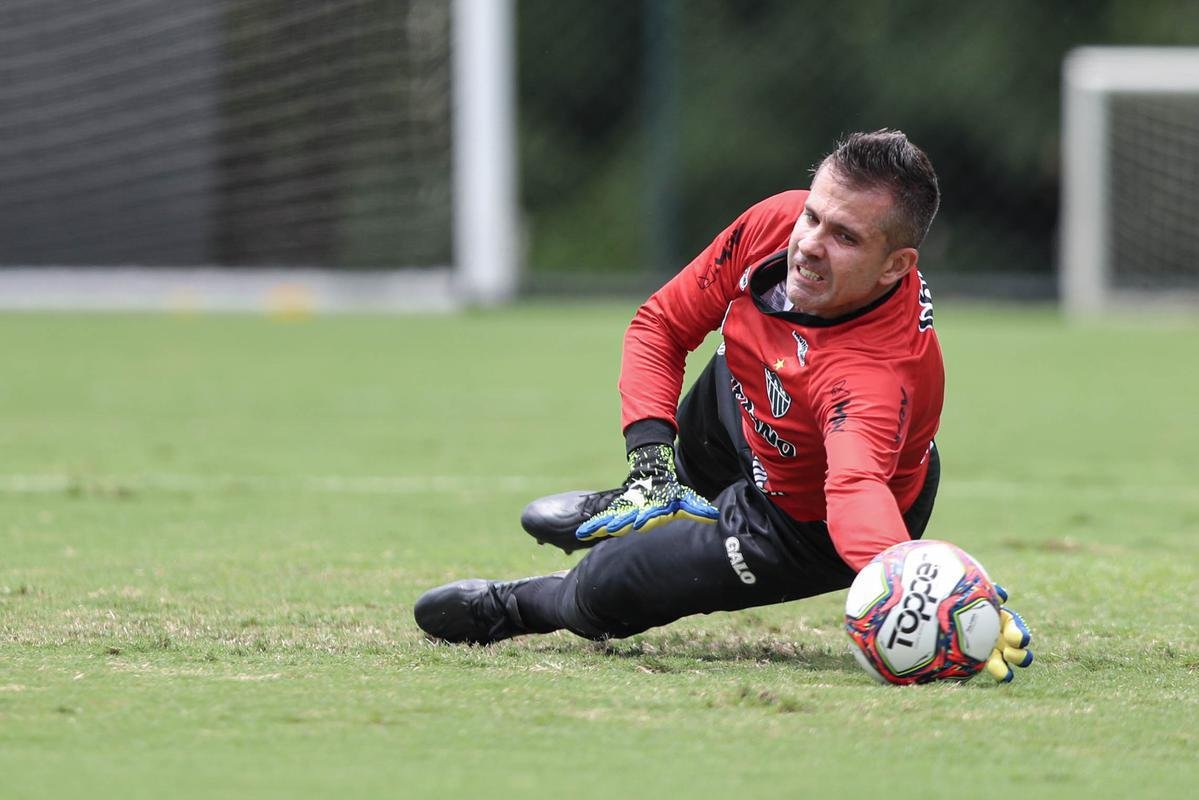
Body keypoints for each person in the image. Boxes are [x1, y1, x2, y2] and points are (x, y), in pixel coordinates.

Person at [414, 130, 1032, 682]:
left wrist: (921, 588)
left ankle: (518, 605)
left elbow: (854, 488)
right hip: (753, 408)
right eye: (813, 215)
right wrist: (649, 459)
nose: (810, 244)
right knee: (734, 365)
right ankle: (654, 493)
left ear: (895, 266)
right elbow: (661, 326)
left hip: (802, 520)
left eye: (845, 237)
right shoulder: (775, 224)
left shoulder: (872, 375)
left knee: (608, 585)